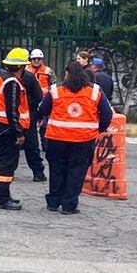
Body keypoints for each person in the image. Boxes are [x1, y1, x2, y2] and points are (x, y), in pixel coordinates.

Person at [38, 61, 113, 214]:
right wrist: (97, 129)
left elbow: (43, 109)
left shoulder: (56, 90)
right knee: (76, 171)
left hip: (57, 138)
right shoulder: (94, 91)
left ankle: (53, 202)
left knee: (57, 169)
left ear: (67, 74)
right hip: (83, 139)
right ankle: (69, 205)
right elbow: (107, 115)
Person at [0, 48, 31, 210]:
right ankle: (1, 199)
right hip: (9, 129)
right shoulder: (12, 82)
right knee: (7, 164)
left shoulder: (0, 78)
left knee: (3, 162)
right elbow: (12, 110)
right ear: (22, 66)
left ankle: (3, 195)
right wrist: (19, 132)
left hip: (1, 126)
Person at [19, 62, 48, 183]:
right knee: (32, 146)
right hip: (28, 116)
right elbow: (38, 97)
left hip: (9, 117)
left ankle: (6, 171)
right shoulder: (30, 77)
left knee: (9, 146)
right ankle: (38, 172)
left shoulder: (4, 77)